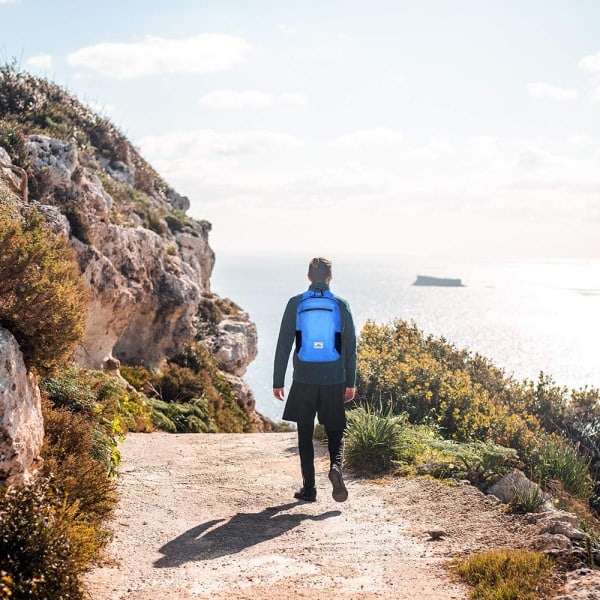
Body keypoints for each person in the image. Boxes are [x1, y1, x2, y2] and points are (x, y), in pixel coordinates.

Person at [273, 257, 357, 503]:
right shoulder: (341, 305)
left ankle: (309, 489)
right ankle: (336, 468)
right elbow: (350, 348)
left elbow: (283, 344)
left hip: (304, 378)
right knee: (335, 431)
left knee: (305, 434)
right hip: (334, 378)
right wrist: (349, 381)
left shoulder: (296, 303)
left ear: (309, 277)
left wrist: (278, 380)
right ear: (330, 278)